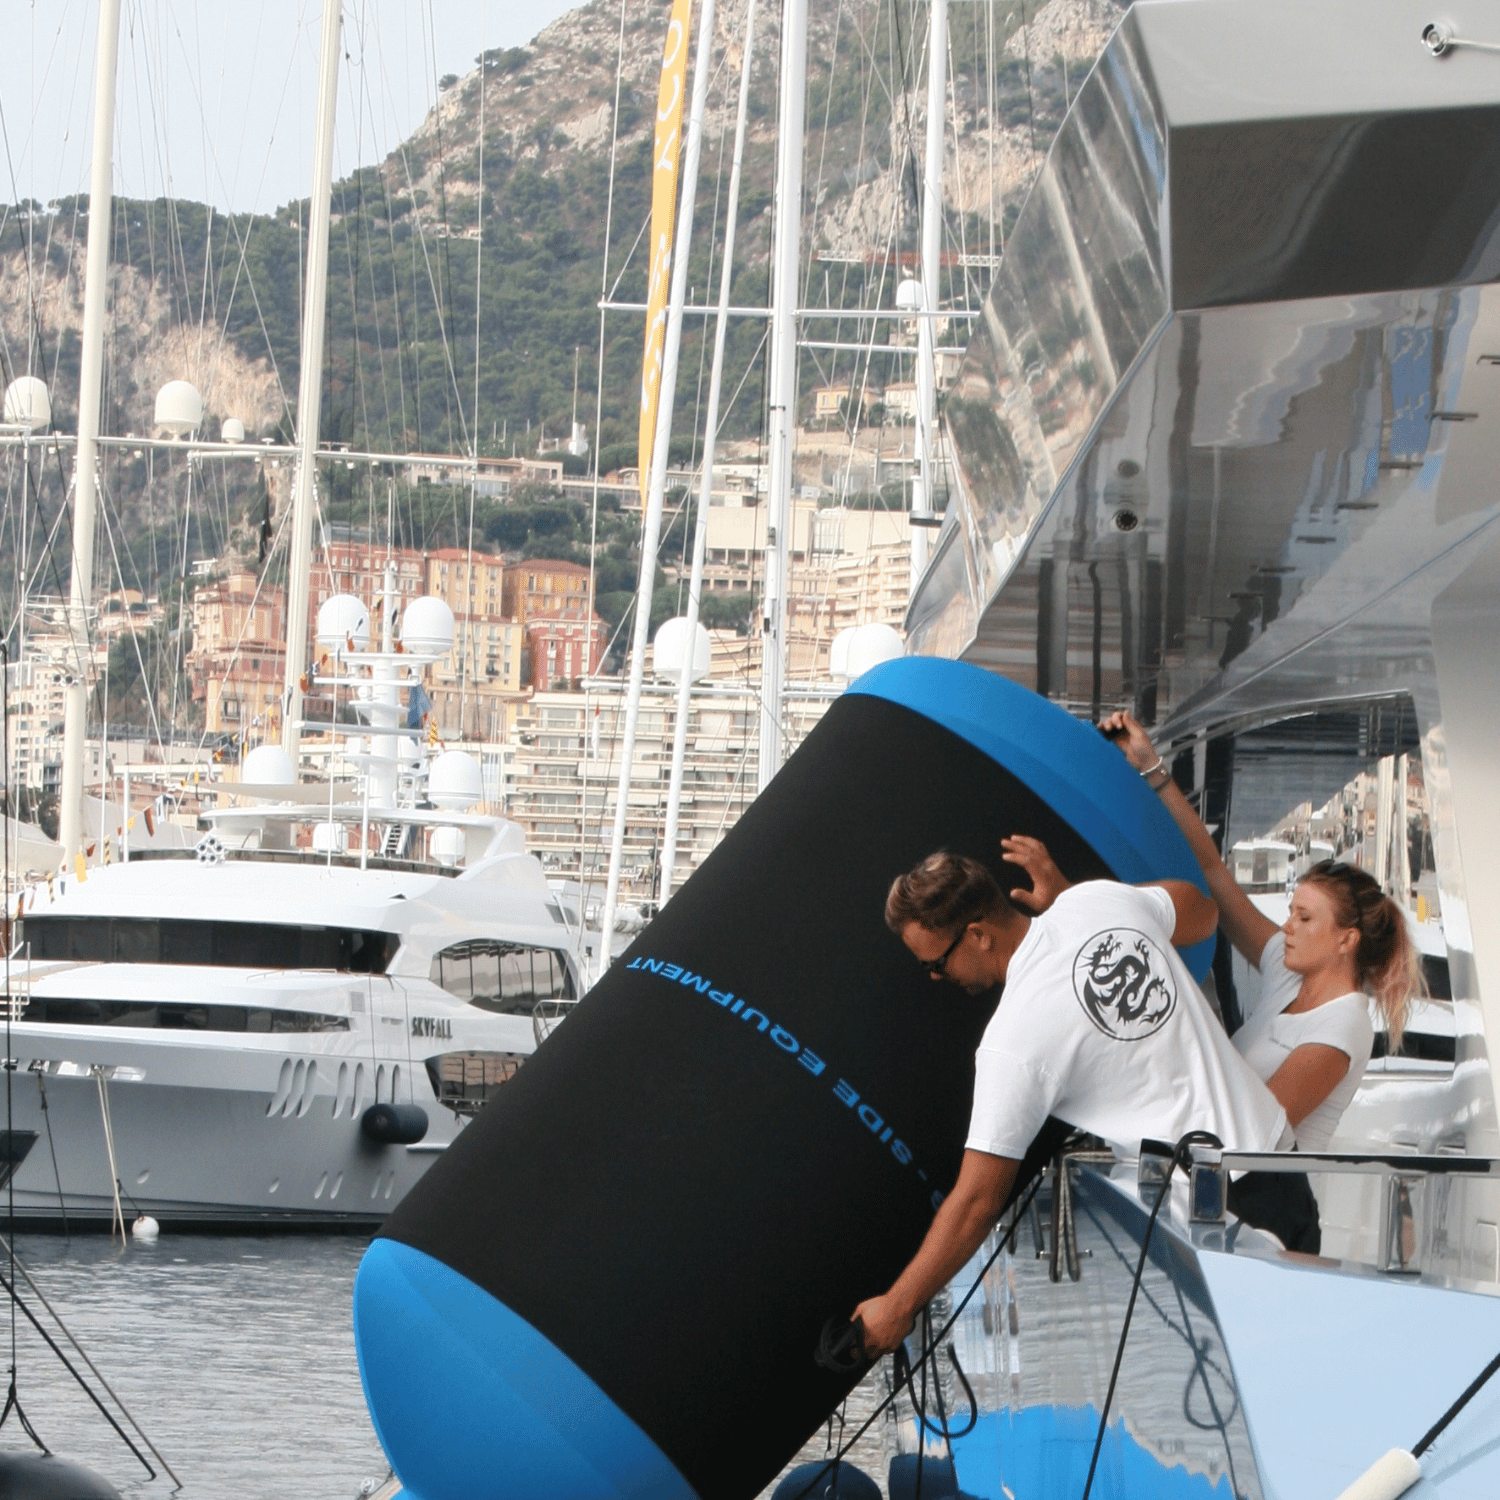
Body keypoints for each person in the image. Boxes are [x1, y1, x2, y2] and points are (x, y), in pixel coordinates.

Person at [850, 846, 1293, 1359]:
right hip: (1282, 1159)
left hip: (1220, 1215)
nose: (934, 977)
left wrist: (899, 1305)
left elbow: (976, 1202)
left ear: (977, 935)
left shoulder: (1012, 1041)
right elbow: (1202, 913)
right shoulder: (1095, 900)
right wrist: (1086, 904)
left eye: (936, 963)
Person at [1097, 710, 1419, 1156]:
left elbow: (1257, 1132)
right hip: (1217, 1194)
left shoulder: (1343, 1026)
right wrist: (1151, 768)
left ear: (1347, 939)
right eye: (1291, 912)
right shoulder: (1288, 975)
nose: (1287, 926)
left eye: (1305, 919)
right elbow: (1212, 870)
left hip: (1266, 1215)